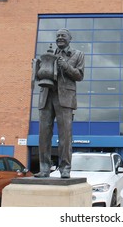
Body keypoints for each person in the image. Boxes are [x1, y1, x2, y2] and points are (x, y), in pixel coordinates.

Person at [34, 28, 85, 178]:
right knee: (43, 135)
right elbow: (39, 76)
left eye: (63, 36)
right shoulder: (48, 55)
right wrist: (37, 68)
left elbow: (79, 75)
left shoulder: (78, 55)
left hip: (65, 98)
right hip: (46, 96)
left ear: (70, 38)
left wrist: (66, 66)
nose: (60, 38)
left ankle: (65, 168)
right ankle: (44, 168)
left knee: (65, 135)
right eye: (57, 36)